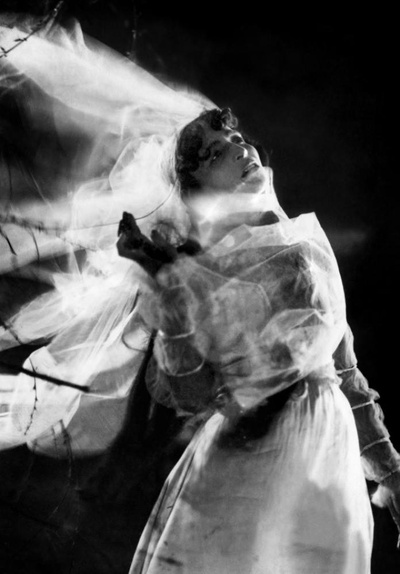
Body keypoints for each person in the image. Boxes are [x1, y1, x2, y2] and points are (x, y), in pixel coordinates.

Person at [114, 108, 400, 573]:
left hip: (327, 460)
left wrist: (389, 469)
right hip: (251, 459)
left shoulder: (303, 240)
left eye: (235, 136)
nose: (239, 149)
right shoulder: (201, 271)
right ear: (196, 193)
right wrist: (171, 295)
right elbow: (192, 393)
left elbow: (345, 373)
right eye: (214, 154)